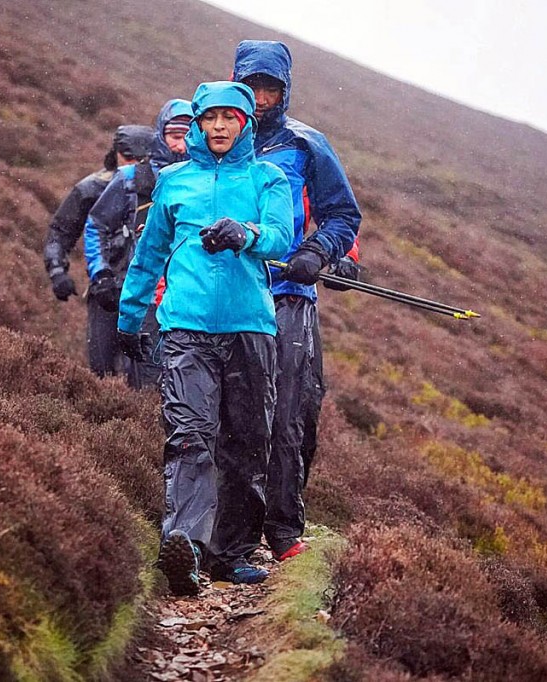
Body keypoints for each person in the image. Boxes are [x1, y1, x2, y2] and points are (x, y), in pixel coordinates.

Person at [117, 81, 293, 593]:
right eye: (209, 117)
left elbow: (282, 236)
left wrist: (246, 234)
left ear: (245, 124)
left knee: (246, 443)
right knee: (190, 435)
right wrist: (130, 320)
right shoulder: (173, 182)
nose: (218, 127)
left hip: (250, 329)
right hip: (186, 328)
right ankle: (186, 548)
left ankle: (232, 552)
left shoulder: (269, 178)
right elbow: (148, 256)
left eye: (229, 118)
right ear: (197, 122)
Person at [232, 40, 361, 562]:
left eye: (271, 88)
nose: (261, 98)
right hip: (232, 296)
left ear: (285, 91)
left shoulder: (308, 144)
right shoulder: (217, 136)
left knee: (290, 416)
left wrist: (319, 251)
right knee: (233, 415)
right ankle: (227, 533)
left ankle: (283, 529)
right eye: (253, 87)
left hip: (289, 297)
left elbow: (342, 216)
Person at [85, 99, 191, 388]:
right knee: (130, 378)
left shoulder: (203, 182)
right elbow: (96, 224)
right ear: (161, 136)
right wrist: (100, 274)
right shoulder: (130, 178)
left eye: (189, 137)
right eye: (175, 137)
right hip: (136, 293)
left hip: (184, 301)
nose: (182, 146)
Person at [41, 125, 154, 376]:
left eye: (140, 158)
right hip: (105, 289)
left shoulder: (160, 184)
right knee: (102, 369)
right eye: (128, 157)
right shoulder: (91, 188)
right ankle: (104, 409)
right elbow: (60, 231)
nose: (133, 163)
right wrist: (57, 270)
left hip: (149, 292)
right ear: (115, 153)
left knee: (147, 370)